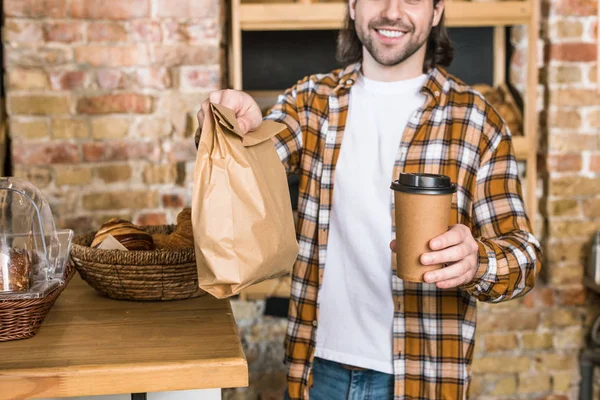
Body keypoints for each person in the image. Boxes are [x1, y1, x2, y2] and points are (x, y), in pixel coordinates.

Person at [196, 0, 542, 398]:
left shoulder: (477, 121)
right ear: (353, 5)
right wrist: (229, 128)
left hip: (423, 374)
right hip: (317, 369)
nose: (392, 11)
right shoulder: (311, 103)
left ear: (436, 10)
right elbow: (249, 161)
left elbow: (524, 256)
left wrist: (478, 262)